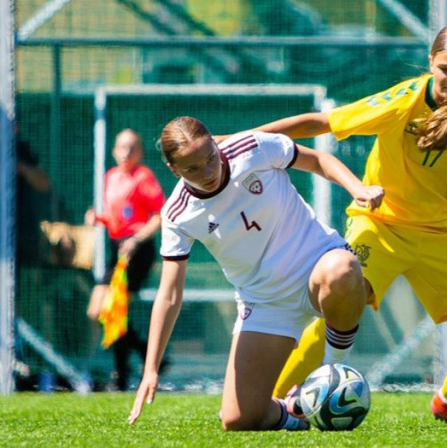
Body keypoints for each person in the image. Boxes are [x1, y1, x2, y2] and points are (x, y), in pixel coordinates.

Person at [235, 24, 447, 426]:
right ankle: (267, 402)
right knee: (337, 312)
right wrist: (239, 142)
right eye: (445, 68)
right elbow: (323, 123)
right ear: (430, 64)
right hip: (380, 226)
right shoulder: (403, 100)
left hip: (445, 236)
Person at [127, 116, 382, 431]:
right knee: (238, 420)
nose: (208, 172)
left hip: (317, 264)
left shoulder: (253, 147)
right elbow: (169, 294)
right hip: (265, 303)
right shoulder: (177, 214)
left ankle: (332, 374)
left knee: (343, 269)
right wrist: (150, 368)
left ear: (214, 142)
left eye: (210, 157)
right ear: (174, 170)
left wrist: (358, 188)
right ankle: (294, 409)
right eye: (193, 169)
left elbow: (318, 160)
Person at [85, 129, 165, 391]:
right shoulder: (111, 177)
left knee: (114, 310)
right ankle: (145, 354)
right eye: (122, 147)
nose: (126, 153)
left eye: (132, 148)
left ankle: (120, 375)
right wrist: (99, 218)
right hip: (116, 248)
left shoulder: (144, 177)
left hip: (136, 250)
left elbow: (159, 215)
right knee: (97, 310)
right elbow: (117, 218)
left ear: (140, 152)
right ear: (114, 151)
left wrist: (136, 240)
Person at [0, 120, 51, 286]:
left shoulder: (24, 150)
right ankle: (2, 312)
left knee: (31, 282)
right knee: (0, 281)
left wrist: (21, 168)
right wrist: (2, 172)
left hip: (27, 229)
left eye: (13, 125)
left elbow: (44, 184)